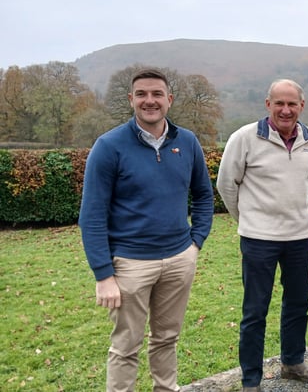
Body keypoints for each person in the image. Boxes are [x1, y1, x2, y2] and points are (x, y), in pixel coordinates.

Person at [79, 68, 214, 391]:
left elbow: (204, 195)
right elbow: (92, 215)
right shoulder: (108, 146)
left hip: (179, 259)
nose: (149, 101)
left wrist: (195, 243)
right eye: (141, 94)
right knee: (126, 347)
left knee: (167, 338)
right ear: (131, 100)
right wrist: (103, 274)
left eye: (156, 94)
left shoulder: (188, 141)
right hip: (130, 264)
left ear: (169, 99)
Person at [216, 79, 308, 392]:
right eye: (279, 103)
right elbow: (227, 185)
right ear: (268, 105)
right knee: (255, 311)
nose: (286, 110)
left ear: (301, 106)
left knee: (298, 304)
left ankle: (293, 362)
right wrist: (251, 219)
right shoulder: (244, 138)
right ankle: (251, 379)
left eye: (292, 104)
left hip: (300, 238)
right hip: (258, 241)